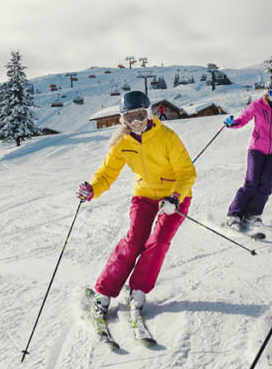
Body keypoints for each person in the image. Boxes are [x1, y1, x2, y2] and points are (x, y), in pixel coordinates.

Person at [77, 90, 196, 324]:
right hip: (143, 196)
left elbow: (187, 172)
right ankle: (104, 292)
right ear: (123, 119)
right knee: (134, 241)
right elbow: (107, 173)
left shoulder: (167, 137)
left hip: (174, 198)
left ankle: (138, 290)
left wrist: (174, 197)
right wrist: (92, 189)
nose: (136, 122)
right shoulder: (123, 142)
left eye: (140, 115)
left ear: (149, 112)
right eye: (130, 117)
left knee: (158, 241)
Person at [223, 75, 272, 232]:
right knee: (251, 183)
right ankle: (234, 215)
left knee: (267, 185)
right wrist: (232, 124)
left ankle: (253, 214)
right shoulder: (257, 105)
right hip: (256, 149)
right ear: (267, 91)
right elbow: (243, 119)